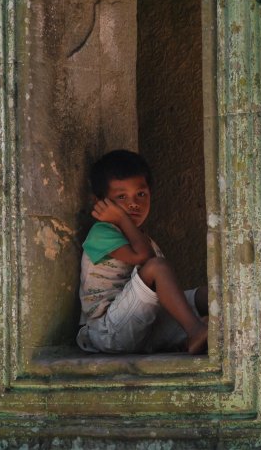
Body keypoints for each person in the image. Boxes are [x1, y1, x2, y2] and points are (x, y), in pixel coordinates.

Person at [76, 150, 208, 354]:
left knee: (204, 296)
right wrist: (121, 218)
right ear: (100, 202)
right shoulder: (101, 232)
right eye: (121, 197)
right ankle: (195, 330)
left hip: (145, 328)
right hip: (109, 332)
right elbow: (145, 259)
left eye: (141, 194)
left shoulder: (142, 238)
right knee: (157, 267)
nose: (133, 203)